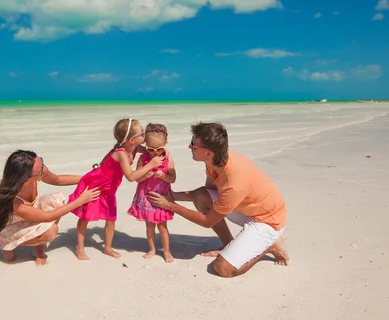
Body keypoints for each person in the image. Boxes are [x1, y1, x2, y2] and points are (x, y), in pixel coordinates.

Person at [147, 122, 289, 277]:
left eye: (194, 146)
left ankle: (270, 247)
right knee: (202, 197)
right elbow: (206, 193)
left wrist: (170, 205)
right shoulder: (216, 160)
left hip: (267, 221)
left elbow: (207, 221)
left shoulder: (233, 183)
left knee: (223, 269)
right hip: (249, 207)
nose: (189, 147)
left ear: (209, 153)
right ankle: (228, 245)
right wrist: (173, 195)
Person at [0, 150, 101, 265]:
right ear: (26, 179)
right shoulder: (12, 199)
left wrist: (89, 177)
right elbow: (48, 217)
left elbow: (57, 179)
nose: (44, 170)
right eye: (40, 170)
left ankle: (39, 249)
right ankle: (6, 245)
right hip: (7, 228)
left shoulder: (36, 169)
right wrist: (81, 200)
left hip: (30, 212)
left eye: (42, 163)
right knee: (50, 232)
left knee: (58, 200)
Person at [68, 118, 164, 260]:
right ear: (131, 140)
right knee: (85, 218)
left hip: (109, 189)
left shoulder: (135, 148)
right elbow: (131, 177)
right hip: (96, 185)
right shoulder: (121, 153)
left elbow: (151, 150)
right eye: (142, 133)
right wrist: (150, 165)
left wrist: (162, 148)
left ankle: (107, 248)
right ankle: (79, 248)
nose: (144, 134)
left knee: (111, 218)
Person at [127, 123, 176, 263]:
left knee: (162, 226)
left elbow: (173, 179)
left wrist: (163, 176)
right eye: (151, 149)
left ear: (166, 144)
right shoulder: (143, 159)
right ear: (145, 146)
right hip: (146, 198)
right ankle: (152, 249)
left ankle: (166, 251)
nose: (155, 152)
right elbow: (137, 178)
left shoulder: (168, 160)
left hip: (161, 197)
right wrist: (145, 175)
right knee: (149, 226)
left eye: (159, 149)